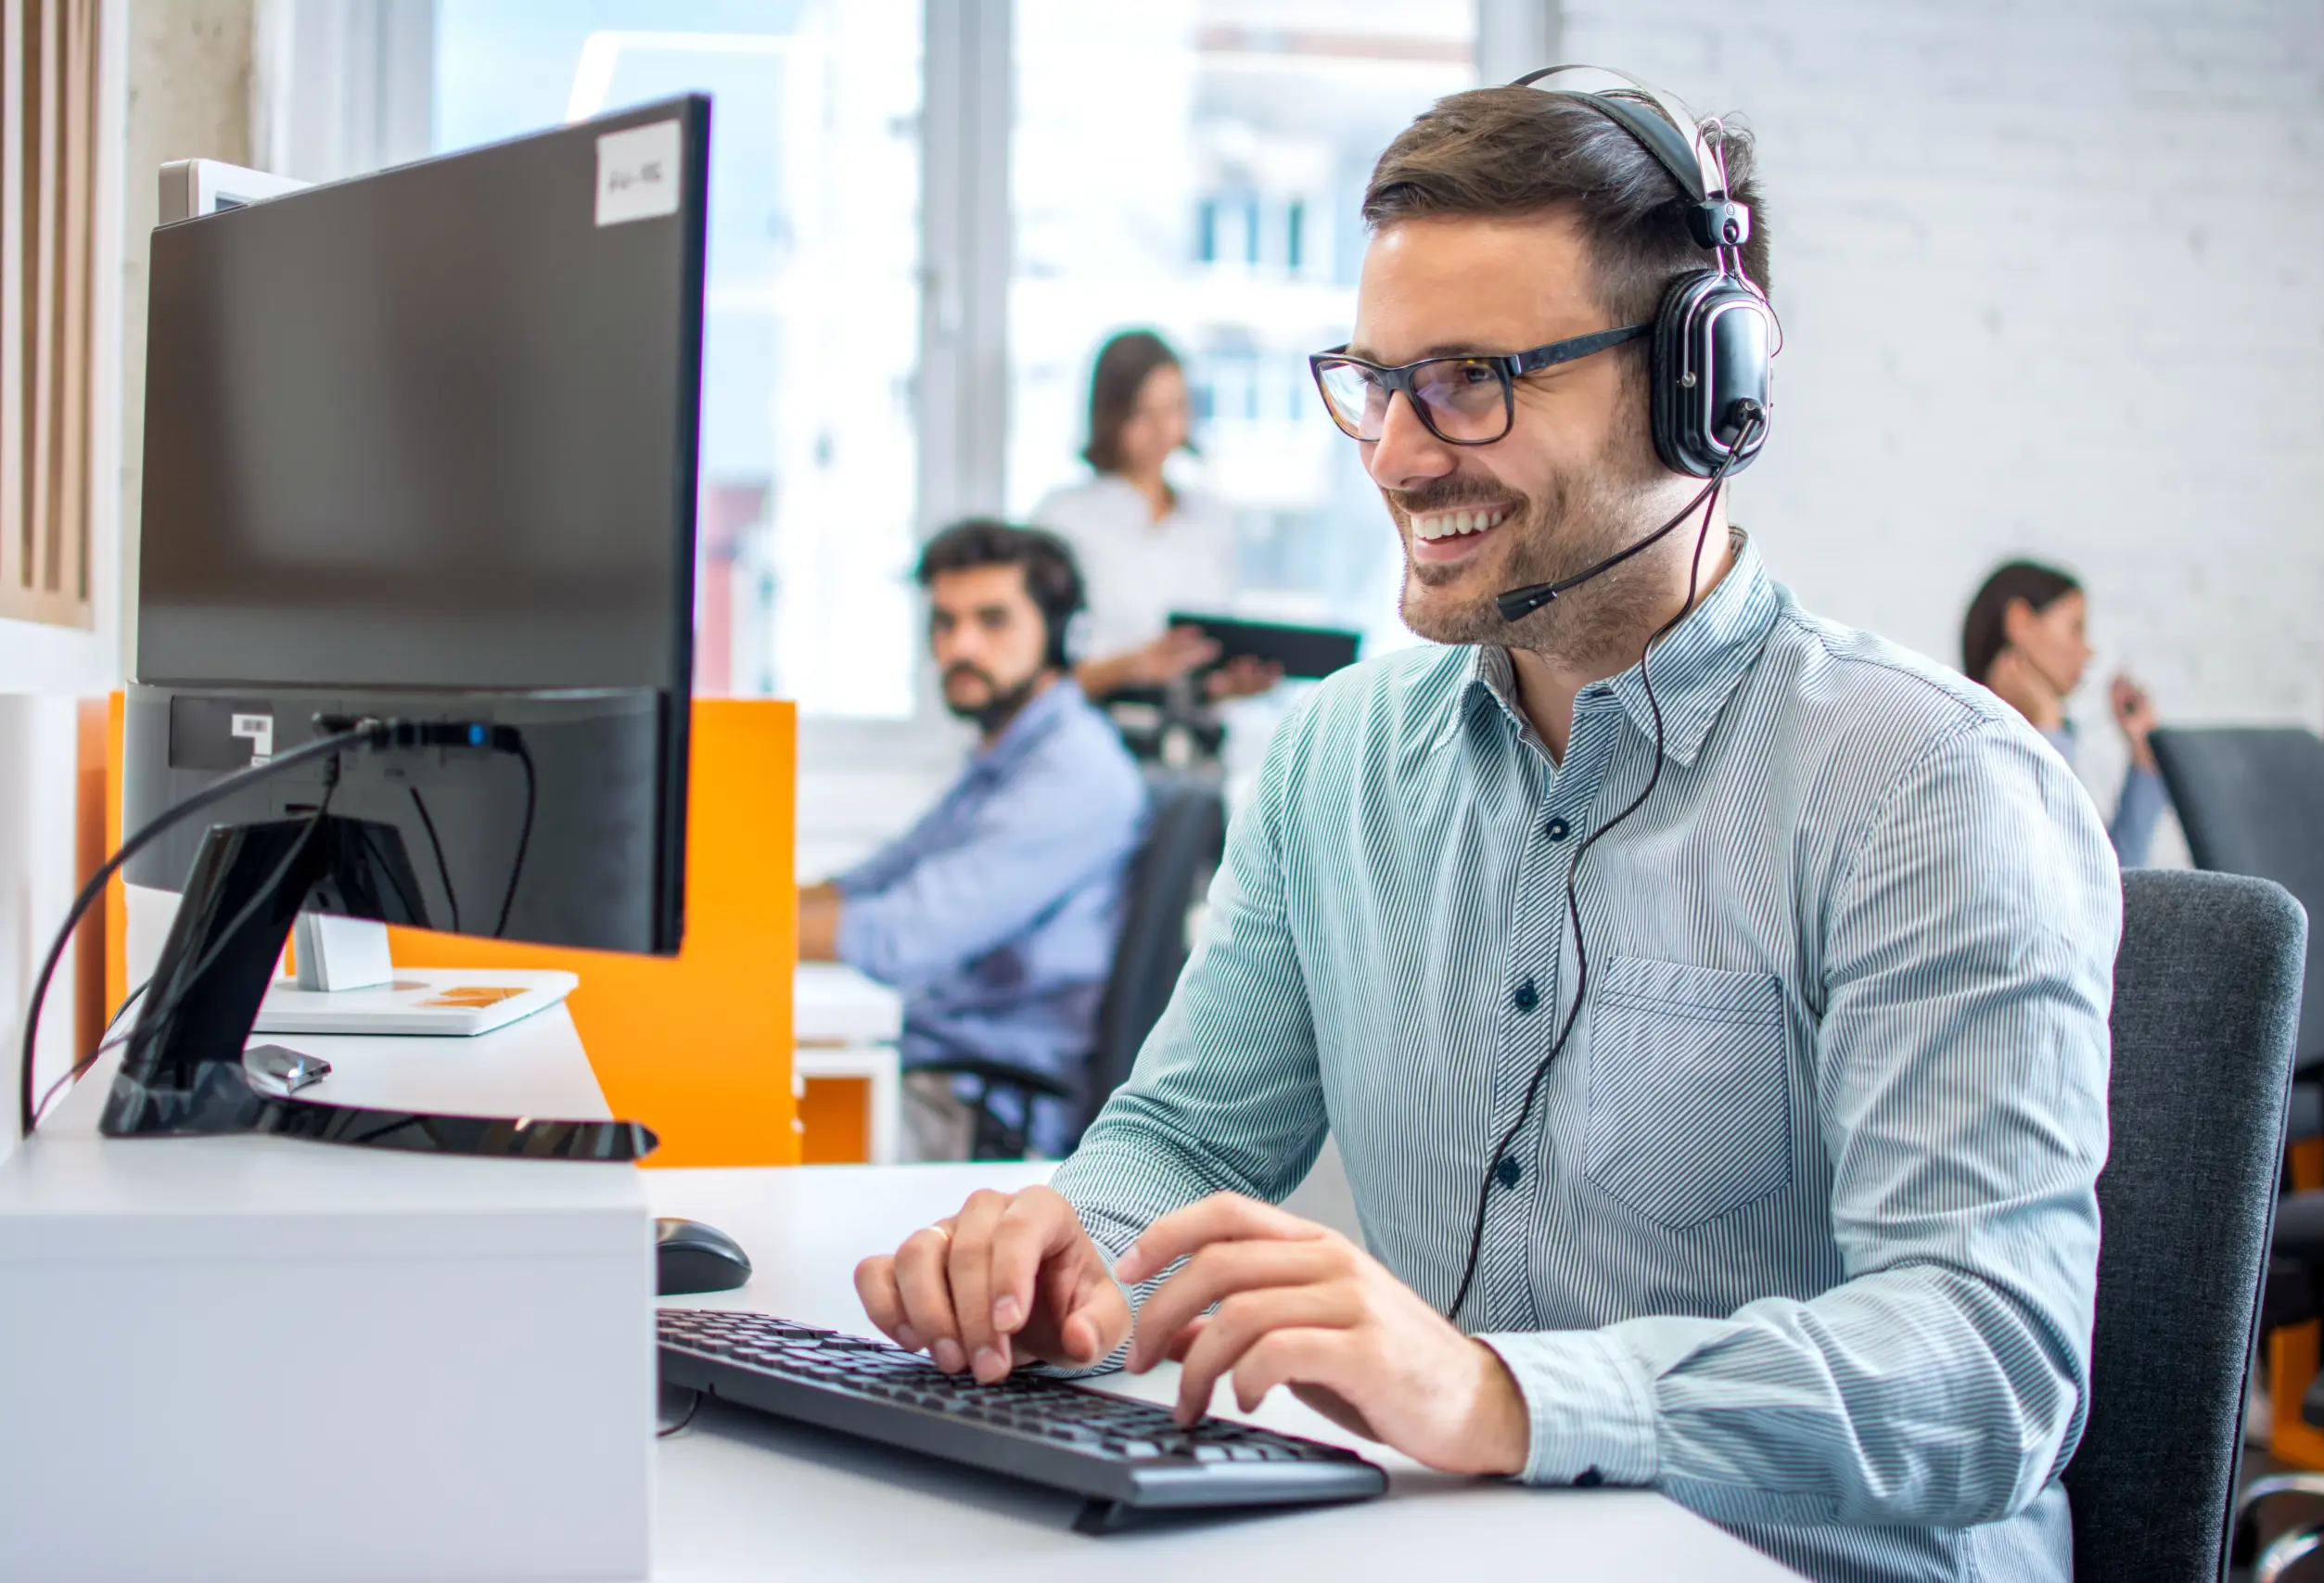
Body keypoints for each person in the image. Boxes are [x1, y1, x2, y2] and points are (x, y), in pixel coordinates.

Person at [854, 77, 2118, 1583]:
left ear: (1699, 385)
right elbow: (1183, 1141)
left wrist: (1495, 1393)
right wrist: (1065, 1263)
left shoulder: (1929, 789)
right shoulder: (1336, 761)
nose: (1393, 453)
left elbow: (1985, 1357)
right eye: (1376, 381)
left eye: (1470, 381)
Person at [798, 519, 1146, 1158]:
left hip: (978, 1105)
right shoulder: (1006, 756)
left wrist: (719, 933)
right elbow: (874, 881)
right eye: (944, 621)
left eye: (992, 620)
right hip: (934, 1068)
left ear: (1063, 634)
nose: (960, 645)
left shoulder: (1074, 772)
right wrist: (731, 909)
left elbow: (905, 934)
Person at [1032, 330, 1281, 707]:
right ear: (1110, 416)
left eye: (1175, 409)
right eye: (1143, 414)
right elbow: (1034, 678)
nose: (1164, 430)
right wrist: (1131, 666)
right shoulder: (1063, 520)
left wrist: (1230, 685)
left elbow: (1210, 660)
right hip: (1101, 732)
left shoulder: (1210, 521)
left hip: (1194, 743)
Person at [1964, 560, 2167, 866]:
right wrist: (2047, 724)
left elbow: (2113, 883)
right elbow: (2057, 875)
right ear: (2020, 622)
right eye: (2076, 628)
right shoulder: (1970, 744)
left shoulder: (2057, 736)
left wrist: (2142, 754)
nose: (2089, 650)